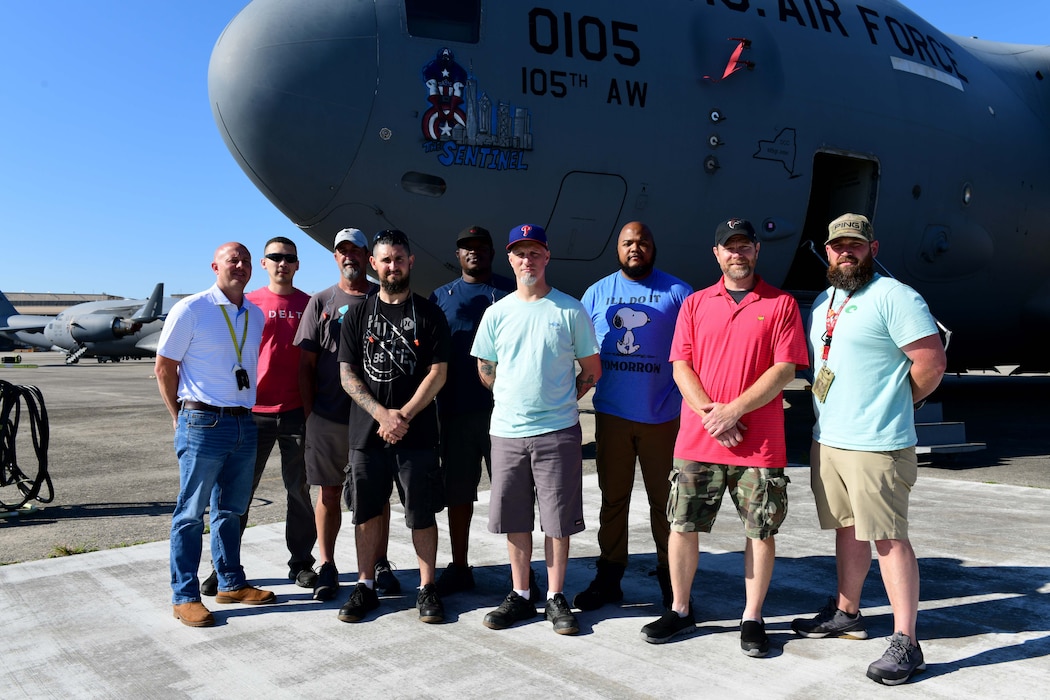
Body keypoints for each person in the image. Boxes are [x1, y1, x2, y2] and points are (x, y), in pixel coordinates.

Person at [639, 218, 808, 657]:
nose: (737, 254)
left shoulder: (781, 304)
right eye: (728, 247)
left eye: (745, 246)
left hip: (760, 442)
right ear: (717, 254)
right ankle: (679, 608)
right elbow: (681, 366)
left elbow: (784, 369)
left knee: (760, 529)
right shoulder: (694, 304)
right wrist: (714, 415)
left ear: (756, 251)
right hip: (698, 439)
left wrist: (734, 411)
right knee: (682, 525)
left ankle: (752, 617)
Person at [792, 213, 946, 686]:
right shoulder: (825, 300)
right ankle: (847, 611)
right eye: (838, 245)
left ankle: (907, 640)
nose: (846, 252)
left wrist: (898, 406)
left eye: (855, 245)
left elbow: (931, 361)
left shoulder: (894, 296)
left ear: (872, 249)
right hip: (830, 440)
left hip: (877, 444)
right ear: (827, 249)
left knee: (889, 538)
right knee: (847, 528)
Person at [472, 223, 601, 636]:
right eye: (520, 253)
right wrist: (513, 396)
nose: (527, 260)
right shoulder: (497, 312)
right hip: (507, 433)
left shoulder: (570, 310)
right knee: (515, 519)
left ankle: (555, 596)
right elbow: (485, 367)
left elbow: (591, 369)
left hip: (558, 431)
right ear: (510, 259)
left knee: (558, 521)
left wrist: (558, 399)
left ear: (547, 258)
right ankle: (521, 593)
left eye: (535, 252)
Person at [155, 242, 277, 628]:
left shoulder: (254, 315)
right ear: (215, 267)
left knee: (232, 510)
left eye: (244, 260)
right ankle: (185, 595)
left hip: (244, 421)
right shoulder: (192, 309)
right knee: (191, 513)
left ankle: (230, 581)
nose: (239, 266)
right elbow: (164, 367)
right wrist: (179, 416)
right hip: (203, 422)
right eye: (231, 260)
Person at [576, 221, 692, 612]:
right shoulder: (596, 294)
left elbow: (695, 353)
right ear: (617, 248)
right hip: (612, 416)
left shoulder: (678, 293)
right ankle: (609, 576)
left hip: (663, 418)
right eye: (627, 242)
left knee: (667, 502)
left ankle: (669, 578)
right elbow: (578, 350)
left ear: (653, 246)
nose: (635, 248)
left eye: (643, 241)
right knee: (613, 501)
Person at [337, 229, 450, 624]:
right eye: (385, 260)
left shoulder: (429, 314)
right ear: (374, 264)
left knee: (421, 512)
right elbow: (347, 374)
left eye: (399, 259)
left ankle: (427, 588)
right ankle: (365, 586)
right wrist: (382, 415)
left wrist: (403, 415)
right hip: (367, 436)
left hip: (416, 436)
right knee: (365, 512)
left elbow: (438, 373)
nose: (392, 266)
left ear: (410, 262)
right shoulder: (357, 315)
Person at [200, 236, 317, 597]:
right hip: (252, 414)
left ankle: (301, 564)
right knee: (237, 496)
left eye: (289, 258)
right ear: (264, 264)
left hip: (297, 412)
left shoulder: (310, 305)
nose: (282, 263)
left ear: (297, 265)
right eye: (275, 257)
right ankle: (224, 569)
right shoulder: (247, 304)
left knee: (298, 491)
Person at [294, 228, 399, 603]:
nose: (350, 256)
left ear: (369, 257)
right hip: (328, 417)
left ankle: (380, 561)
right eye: (343, 251)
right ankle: (326, 564)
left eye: (357, 250)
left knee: (375, 493)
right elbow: (305, 364)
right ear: (335, 257)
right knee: (329, 491)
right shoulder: (320, 301)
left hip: (372, 418)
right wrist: (310, 414)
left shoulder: (383, 297)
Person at [428, 225, 515, 596]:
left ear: (492, 253)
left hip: (505, 414)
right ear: (458, 254)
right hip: (456, 412)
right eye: (467, 247)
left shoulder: (510, 293)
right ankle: (460, 566)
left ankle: (520, 573)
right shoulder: (440, 297)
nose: (474, 252)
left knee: (511, 495)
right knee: (458, 495)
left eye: (481, 247)